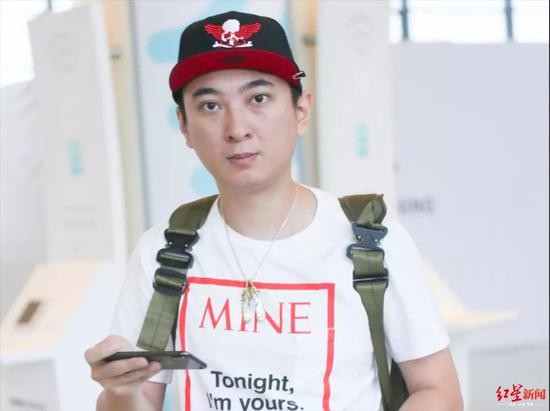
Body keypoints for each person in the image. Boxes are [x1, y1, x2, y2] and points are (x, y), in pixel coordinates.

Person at [85, 10, 463, 411]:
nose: (237, 128)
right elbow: (138, 400)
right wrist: (120, 390)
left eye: (258, 99)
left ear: (301, 111)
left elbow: (438, 391)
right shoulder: (163, 252)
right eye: (210, 105)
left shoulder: (373, 244)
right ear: (184, 126)